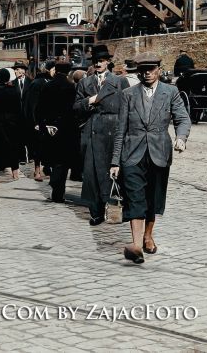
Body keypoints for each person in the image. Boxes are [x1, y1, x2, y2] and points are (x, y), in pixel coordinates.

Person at [110, 53, 191, 264]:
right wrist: (115, 161)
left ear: (159, 70)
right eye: (143, 69)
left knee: (153, 198)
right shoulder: (128, 94)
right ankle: (136, 245)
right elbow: (120, 130)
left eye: (151, 69)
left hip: (159, 152)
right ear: (138, 72)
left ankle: (148, 235)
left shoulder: (171, 92)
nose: (147, 73)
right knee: (134, 197)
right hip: (132, 154)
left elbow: (182, 119)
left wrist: (181, 138)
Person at [74, 45, 129, 224]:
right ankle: (95, 211)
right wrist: (90, 101)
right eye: (95, 61)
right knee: (91, 173)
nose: (98, 64)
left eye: (101, 61)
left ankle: (117, 206)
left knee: (114, 170)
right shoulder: (84, 83)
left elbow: (126, 107)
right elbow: (76, 107)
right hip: (92, 130)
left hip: (113, 130)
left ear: (108, 62)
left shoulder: (119, 81)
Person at [36, 62, 78, 202]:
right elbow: (72, 110)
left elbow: (40, 108)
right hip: (66, 129)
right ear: (68, 72)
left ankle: (55, 184)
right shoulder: (71, 87)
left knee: (52, 159)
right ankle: (59, 193)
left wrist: (45, 125)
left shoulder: (47, 86)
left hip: (50, 128)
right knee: (63, 162)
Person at [0, 68, 25, 181]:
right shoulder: (15, 91)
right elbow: (19, 109)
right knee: (13, 148)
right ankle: (15, 172)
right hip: (13, 124)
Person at [23, 61, 52, 181]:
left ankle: (46, 169)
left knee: (47, 146)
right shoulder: (37, 83)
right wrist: (35, 122)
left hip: (48, 120)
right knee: (38, 147)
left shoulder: (49, 81)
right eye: (53, 69)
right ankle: (37, 171)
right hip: (39, 120)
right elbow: (32, 104)